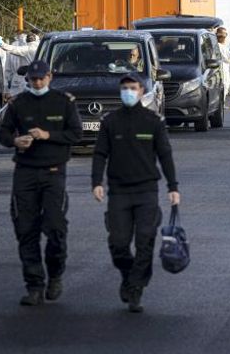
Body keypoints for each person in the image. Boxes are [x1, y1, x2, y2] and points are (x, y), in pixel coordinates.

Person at [91, 74, 179, 314]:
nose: (128, 92)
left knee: (145, 241)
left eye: (133, 88)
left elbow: (165, 155)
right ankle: (128, 274)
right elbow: (100, 153)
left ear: (142, 91)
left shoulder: (153, 121)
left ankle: (136, 287)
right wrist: (96, 182)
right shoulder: (110, 121)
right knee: (118, 244)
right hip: (118, 191)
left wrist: (173, 187)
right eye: (124, 88)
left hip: (146, 191)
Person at [0, 60, 83, 306]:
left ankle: (55, 275)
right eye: (33, 80)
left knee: (55, 228)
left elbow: (75, 133)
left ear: (49, 77)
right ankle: (34, 284)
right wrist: (15, 141)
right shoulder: (19, 104)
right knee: (26, 229)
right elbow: (3, 134)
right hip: (25, 171)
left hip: (53, 171)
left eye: (40, 78)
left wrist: (48, 135)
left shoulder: (63, 102)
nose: (36, 83)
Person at [0, 31, 40, 97]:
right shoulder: (42, 48)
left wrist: (1, 43)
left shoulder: (27, 49)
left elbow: (12, 49)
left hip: (26, 78)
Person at [215, 28, 230, 103]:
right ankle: (221, 103)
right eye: (224, 35)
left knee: (224, 86)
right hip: (222, 69)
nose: (225, 37)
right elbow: (228, 58)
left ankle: (221, 103)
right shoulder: (220, 46)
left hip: (222, 68)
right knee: (224, 85)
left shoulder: (222, 46)